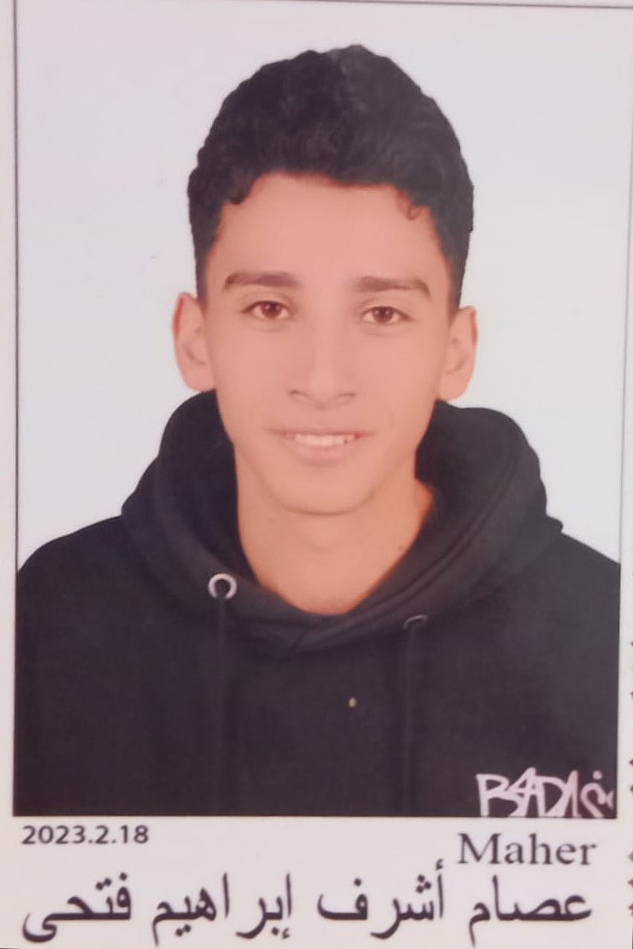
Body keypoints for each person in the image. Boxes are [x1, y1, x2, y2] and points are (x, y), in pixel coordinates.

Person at [14, 45, 619, 818]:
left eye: (382, 313)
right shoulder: (48, 621)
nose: (323, 378)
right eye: (270, 308)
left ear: (455, 350)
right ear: (195, 338)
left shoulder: (604, 629)